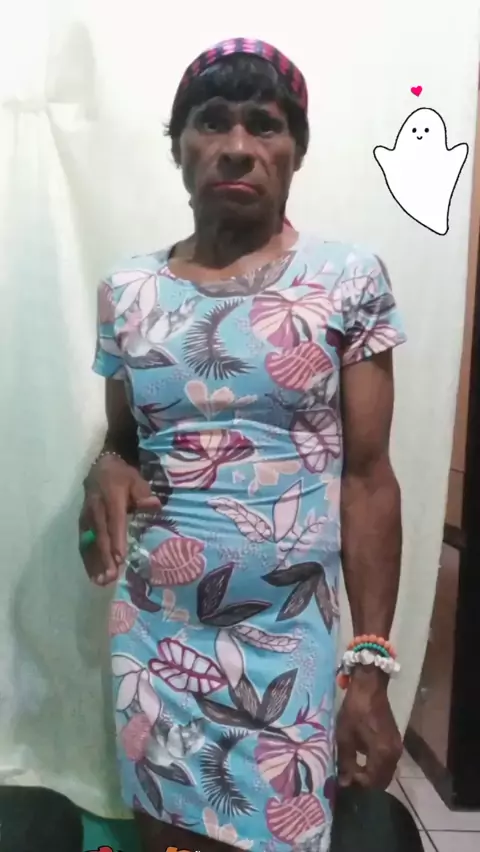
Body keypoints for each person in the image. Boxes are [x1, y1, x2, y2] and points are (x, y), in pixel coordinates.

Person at [80, 38, 405, 852]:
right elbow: (124, 442)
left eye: (264, 125)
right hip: (156, 640)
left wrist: (369, 667)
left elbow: (369, 480)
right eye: (211, 122)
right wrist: (106, 469)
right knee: (168, 839)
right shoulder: (128, 291)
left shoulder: (348, 280)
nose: (236, 145)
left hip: (286, 649)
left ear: (296, 152)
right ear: (178, 147)